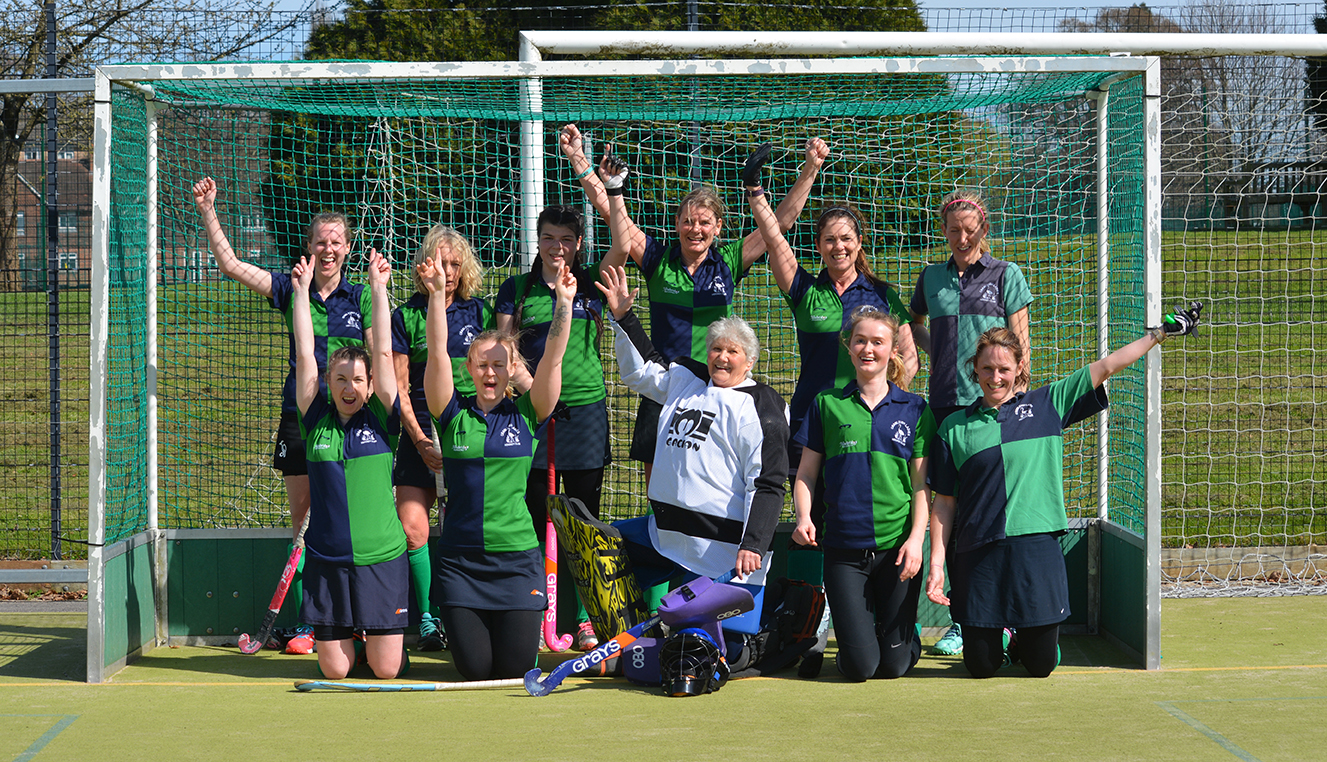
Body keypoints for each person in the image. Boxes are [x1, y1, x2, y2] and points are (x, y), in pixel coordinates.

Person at [925, 304, 1202, 679]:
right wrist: (937, 565)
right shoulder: (955, 427)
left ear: (1019, 369)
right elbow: (944, 502)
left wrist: (1159, 334)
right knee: (980, 667)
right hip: (978, 551)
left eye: (1004, 369)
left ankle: (1024, 638)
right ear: (974, 369)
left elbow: (1107, 366)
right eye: (987, 368)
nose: (995, 377)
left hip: (1035, 546)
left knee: (1041, 666)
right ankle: (1000, 639)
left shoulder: (1047, 404)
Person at [560, 124, 819, 483]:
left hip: (719, 385)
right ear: (677, 224)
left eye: (704, 223)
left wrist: (810, 169)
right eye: (687, 221)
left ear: (718, 228)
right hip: (663, 384)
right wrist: (579, 159)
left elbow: (781, 223)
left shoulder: (729, 260)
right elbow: (610, 212)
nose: (694, 229)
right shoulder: (656, 258)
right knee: (658, 489)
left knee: (715, 480)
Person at [192, 177, 372, 655]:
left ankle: (356, 619)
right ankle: (309, 622)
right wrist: (210, 209)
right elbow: (231, 265)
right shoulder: (292, 289)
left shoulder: (363, 298)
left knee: (352, 520)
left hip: (355, 424)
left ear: (347, 248)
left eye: (336, 242)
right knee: (304, 521)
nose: (328, 248)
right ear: (309, 247)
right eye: (320, 242)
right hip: (302, 418)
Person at [746, 138, 920, 533]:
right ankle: (814, 595)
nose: (838, 246)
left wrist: (888, 401)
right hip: (812, 420)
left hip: (868, 424)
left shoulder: (882, 294)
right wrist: (756, 189)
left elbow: (909, 356)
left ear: (858, 244)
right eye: (829, 240)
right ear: (820, 247)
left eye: (846, 239)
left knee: (861, 518)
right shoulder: (806, 290)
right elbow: (774, 238)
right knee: (813, 524)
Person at [422, 254, 576, 682]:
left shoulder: (527, 414)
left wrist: (563, 303)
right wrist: (437, 295)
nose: (489, 372)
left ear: (512, 370)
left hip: (516, 562)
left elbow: (553, 362)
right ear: (469, 369)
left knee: (513, 671)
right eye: (481, 364)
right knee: (475, 671)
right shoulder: (451, 415)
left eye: (498, 365)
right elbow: (437, 353)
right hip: (461, 563)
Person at [595, 264, 788, 590]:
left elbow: (767, 484)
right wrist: (624, 317)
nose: (722, 357)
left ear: (750, 361)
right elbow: (642, 371)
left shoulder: (761, 407)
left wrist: (753, 543)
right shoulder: (687, 379)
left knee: (701, 640)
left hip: (719, 549)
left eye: (733, 351)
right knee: (598, 547)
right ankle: (632, 635)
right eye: (716, 348)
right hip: (664, 535)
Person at [909, 188, 1032, 658]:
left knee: (993, 512)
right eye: (954, 230)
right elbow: (914, 321)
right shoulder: (931, 277)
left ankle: (1004, 619)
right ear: (944, 231)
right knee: (951, 511)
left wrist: (1015, 400)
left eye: (971, 230)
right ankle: (964, 620)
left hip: (993, 409)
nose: (962, 237)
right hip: (945, 408)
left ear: (984, 230)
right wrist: (935, 351)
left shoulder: (1006, 274)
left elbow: (1020, 345)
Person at [791, 306, 933, 681]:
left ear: (892, 350)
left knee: (894, 667)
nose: (868, 349)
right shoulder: (827, 405)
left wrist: (917, 540)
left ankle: (903, 640)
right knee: (860, 668)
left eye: (878, 342)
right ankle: (861, 641)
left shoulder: (915, 409)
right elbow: (806, 474)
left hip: (898, 551)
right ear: (848, 346)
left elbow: (921, 486)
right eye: (860, 341)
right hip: (844, 551)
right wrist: (803, 516)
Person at [495, 205, 610, 651]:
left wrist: (599, 182)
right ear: (537, 240)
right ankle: (534, 609)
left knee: (582, 519)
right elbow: (506, 349)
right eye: (548, 237)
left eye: (566, 239)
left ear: (578, 244)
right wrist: (537, 392)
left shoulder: (592, 286)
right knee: (533, 514)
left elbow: (623, 243)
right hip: (533, 413)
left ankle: (581, 620)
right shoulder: (516, 289)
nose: (556, 247)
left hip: (585, 416)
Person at [292, 248, 408, 680]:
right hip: (328, 558)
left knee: (386, 670)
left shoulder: (381, 418)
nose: (348, 387)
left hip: (382, 558)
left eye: (357, 380)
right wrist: (302, 293)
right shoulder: (315, 420)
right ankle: (349, 642)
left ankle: (380, 645)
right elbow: (306, 354)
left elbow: (381, 354)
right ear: (328, 382)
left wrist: (379, 289)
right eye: (339, 379)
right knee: (336, 672)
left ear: (370, 384)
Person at [390, 225, 492, 652]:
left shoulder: (479, 312)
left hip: (467, 439)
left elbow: (495, 379)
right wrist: (419, 441)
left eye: (455, 264)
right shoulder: (405, 315)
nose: (448, 272)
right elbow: (397, 386)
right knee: (413, 528)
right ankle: (428, 621)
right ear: (424, 265)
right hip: (421, 442)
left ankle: (467, 613)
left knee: (468, 530)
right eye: (440, 263)